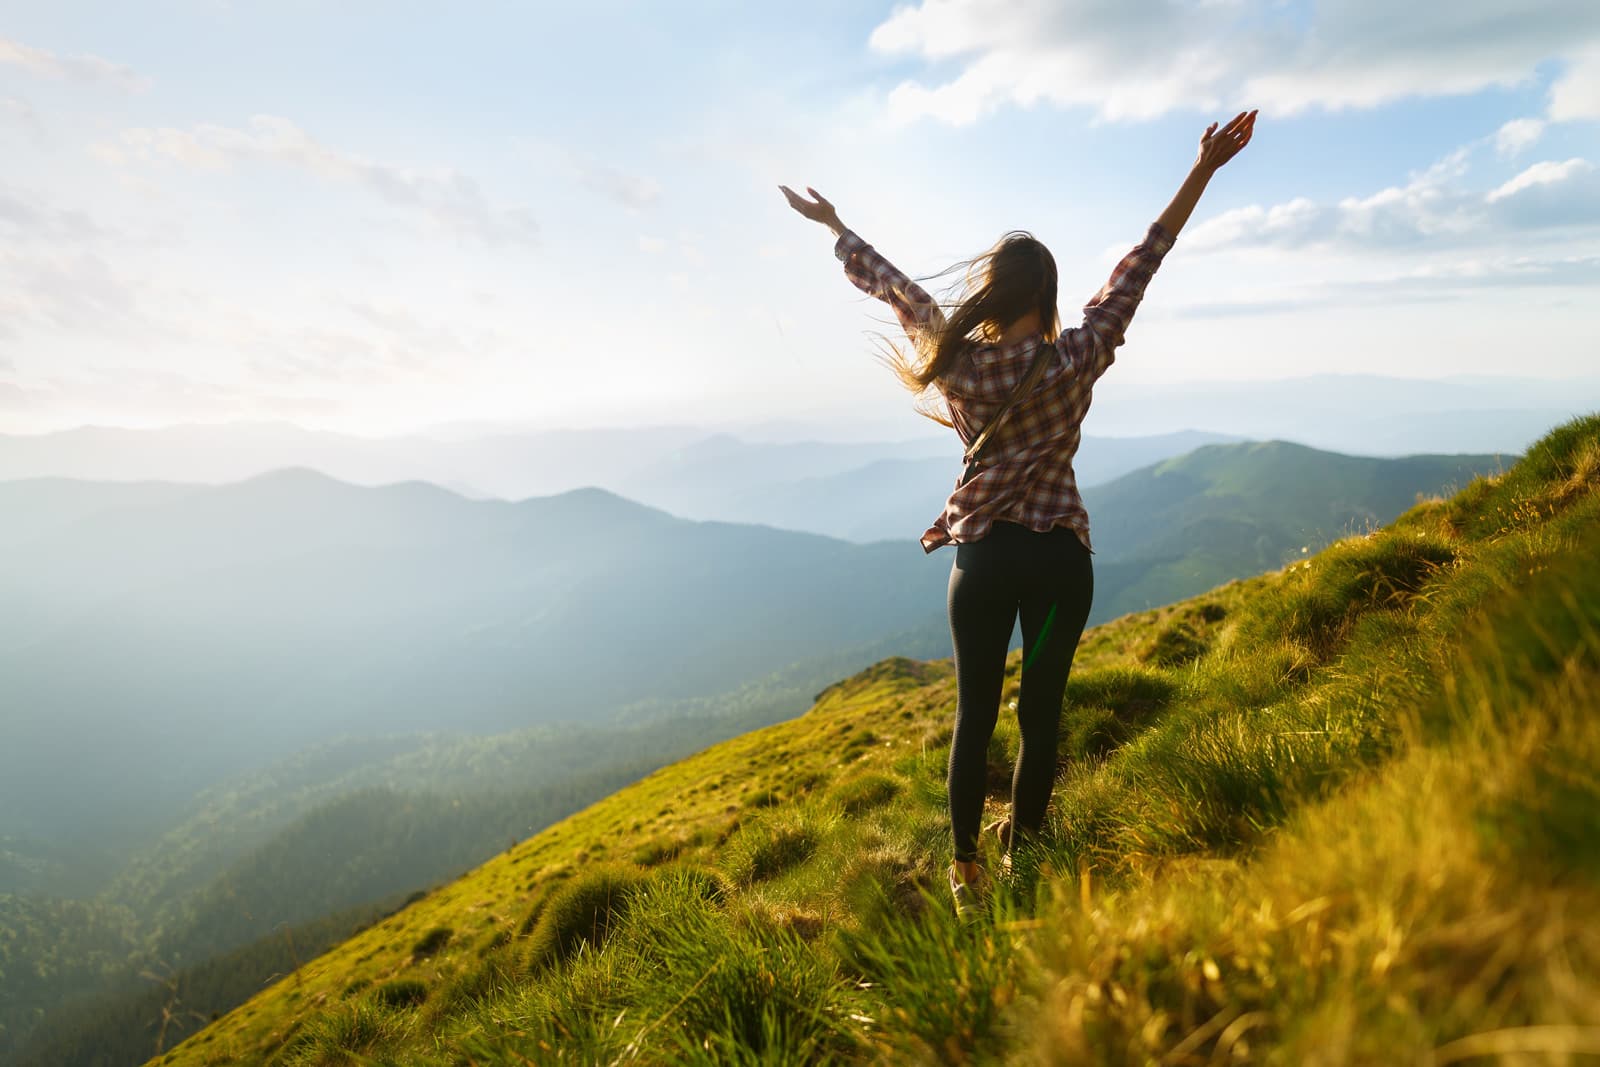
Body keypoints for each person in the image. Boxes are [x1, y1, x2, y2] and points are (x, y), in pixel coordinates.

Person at [781, 110, 1257, 917]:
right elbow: (1146, 257)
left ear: (996, 291)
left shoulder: (960, 364)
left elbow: (897, 288)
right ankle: (1024, 864)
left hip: (988, 563)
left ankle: (966, 873)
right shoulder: (1080, 354)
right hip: (1060, 567)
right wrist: (1204, 169)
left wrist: (837, 227)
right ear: (1051, 293)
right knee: (1040, 713)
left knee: (974, 716)